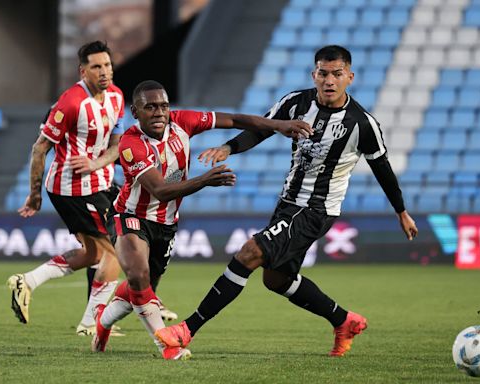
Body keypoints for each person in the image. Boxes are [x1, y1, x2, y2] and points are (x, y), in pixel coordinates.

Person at [155, 45, 419, 358]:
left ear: (349, 76)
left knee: (249, 253)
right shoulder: (296, 102)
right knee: (276, 279)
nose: (329, 80)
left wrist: (401, 212)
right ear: (314, 74)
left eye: (337, 74)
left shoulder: (362, 124)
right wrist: (228, 147)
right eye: (323, 73)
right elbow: (261, 129)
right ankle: (343, 320)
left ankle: (187, 329)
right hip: (288, 203)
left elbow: (383, 170)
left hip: (316, 209)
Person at [91, 80, 313, 360]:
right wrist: (205, 180)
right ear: (135, 112)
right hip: (131, 215)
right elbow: (159, 191)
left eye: (163, 105)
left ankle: (103, 321)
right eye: (150, 107)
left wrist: (278, 125)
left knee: (142, 287)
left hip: (166, 224)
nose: (159, 112)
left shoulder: (182, 121)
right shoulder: (130, 144)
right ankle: (167, 347)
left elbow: (233, 119)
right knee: (138, 275)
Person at [6, 41, 141, 334]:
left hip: (99, 182)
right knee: (115, 253)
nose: (104, 72)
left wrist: (97, 163)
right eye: (96, 67)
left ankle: (27, 281)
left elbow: (117, 144)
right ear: (83, 71)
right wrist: (34, 194)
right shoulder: (70, 103)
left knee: (93, 254)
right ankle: (92, 322)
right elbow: (40, 149)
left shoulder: (117, 96)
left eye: (107, 65)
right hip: (72, 188)